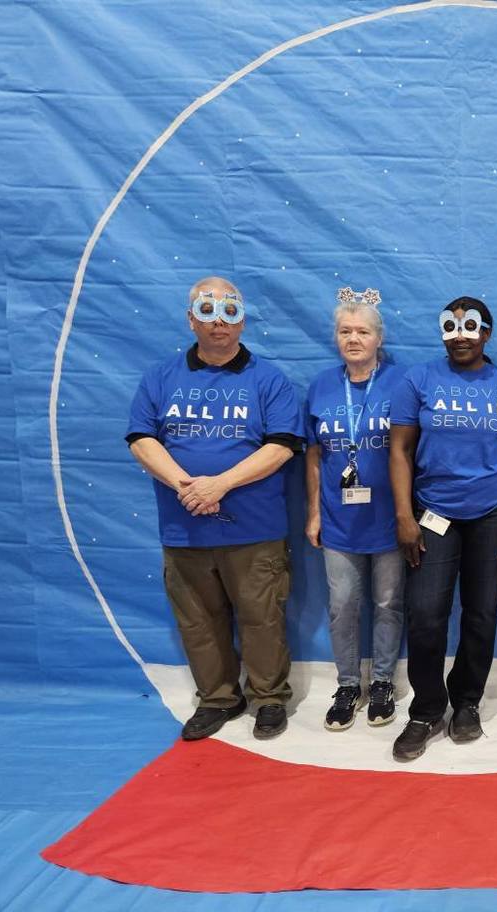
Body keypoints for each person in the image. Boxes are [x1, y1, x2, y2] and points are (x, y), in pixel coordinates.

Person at [126, 276, 301, 741]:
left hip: (255, 529)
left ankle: (268, 698)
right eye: (207, 312)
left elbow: (283, 445)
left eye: (229, 313)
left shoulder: (270, 380)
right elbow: (141, 439)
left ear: (242, 320)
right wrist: (187, 486)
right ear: (190, 319)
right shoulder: (160, 376)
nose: (218, 323)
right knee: (197, 620)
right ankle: (218, 698)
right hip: (185, 528)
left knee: (262, 617)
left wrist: (220, 484)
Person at [387, 297, 497, 761]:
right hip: (434, 514)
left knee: (481, 613)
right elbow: (399, 452)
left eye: (471, 327)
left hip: (493, 514)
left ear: (487, 333)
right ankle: (428, 708)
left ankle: (467, 701)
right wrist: (404, 517)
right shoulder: (418, 380)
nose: (461, 335)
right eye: (451, 327)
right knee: (426, 614)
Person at [305, 287, 405, 730]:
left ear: (378, 338)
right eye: (345, 331)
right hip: (339, 519)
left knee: (388, 602)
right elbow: (312, 454)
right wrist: (313, 511)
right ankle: (348, 684)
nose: (353, 339)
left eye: (362, 331)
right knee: (343, 604)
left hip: (389, 519)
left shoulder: (402, 383)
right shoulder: (322, 386)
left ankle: (382, 681)